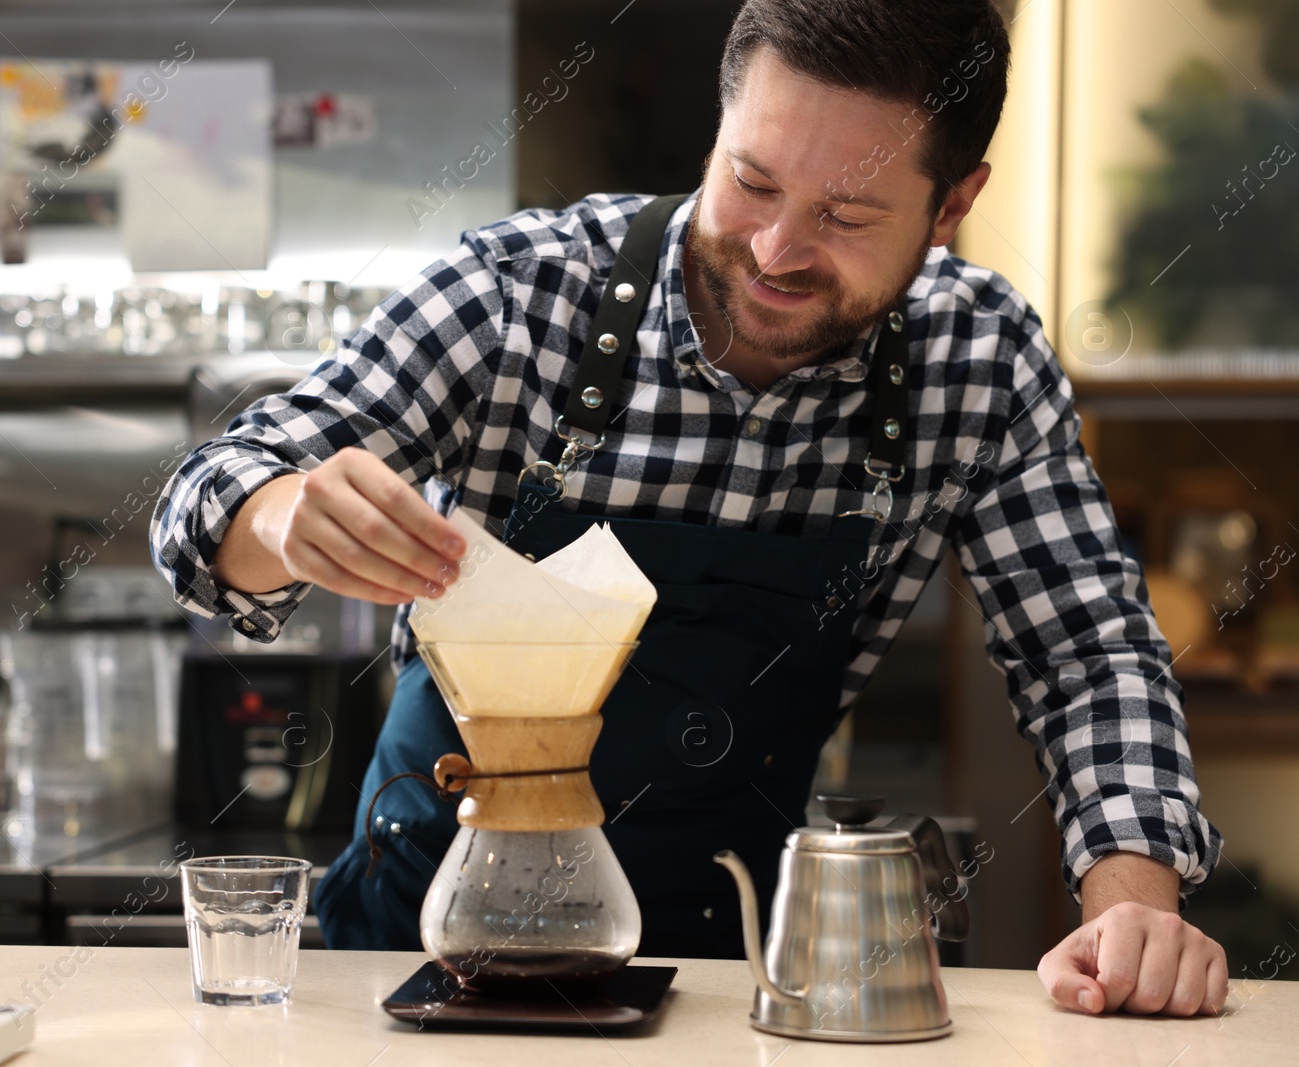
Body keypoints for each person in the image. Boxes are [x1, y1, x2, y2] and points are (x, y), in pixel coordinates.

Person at [151, 0, 1227, 1018]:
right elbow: (209, 496)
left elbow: (1085, 653)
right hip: (411, 961)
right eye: (750, 182)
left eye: (845, 215)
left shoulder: (976, 360)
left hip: (732, 982)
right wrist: (281, 514)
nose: (774, 252)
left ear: (951, 205)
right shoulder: (522, 291)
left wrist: (1133, 905)